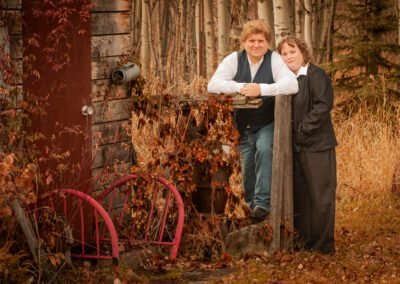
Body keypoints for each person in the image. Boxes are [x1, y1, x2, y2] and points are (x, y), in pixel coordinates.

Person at [207, 20, 298, 223]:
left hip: (265, 122)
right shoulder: (234, 59)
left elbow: (291, 84)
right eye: (251, 41)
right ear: (244, 42)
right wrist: (241, 87)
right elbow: (213, 85)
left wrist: (262, 89)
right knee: (247, 166)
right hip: (240, 126)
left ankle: (263, 205)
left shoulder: (274, 59)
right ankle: (252, 210)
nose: (256, 45)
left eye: (261, 41)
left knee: (265, 149)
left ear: (267, 43)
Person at [277, 36, 338, 253]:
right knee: (301, 198)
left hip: (318, 146)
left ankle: (323, 247)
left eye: (292, 51)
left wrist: (302, 130)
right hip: (295, 148)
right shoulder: (285, 81)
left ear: (303, 52)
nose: (289, 56)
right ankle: (303, 243)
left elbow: (323, 106)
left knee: (321, 197)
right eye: (284, 53)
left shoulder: (316, 75)